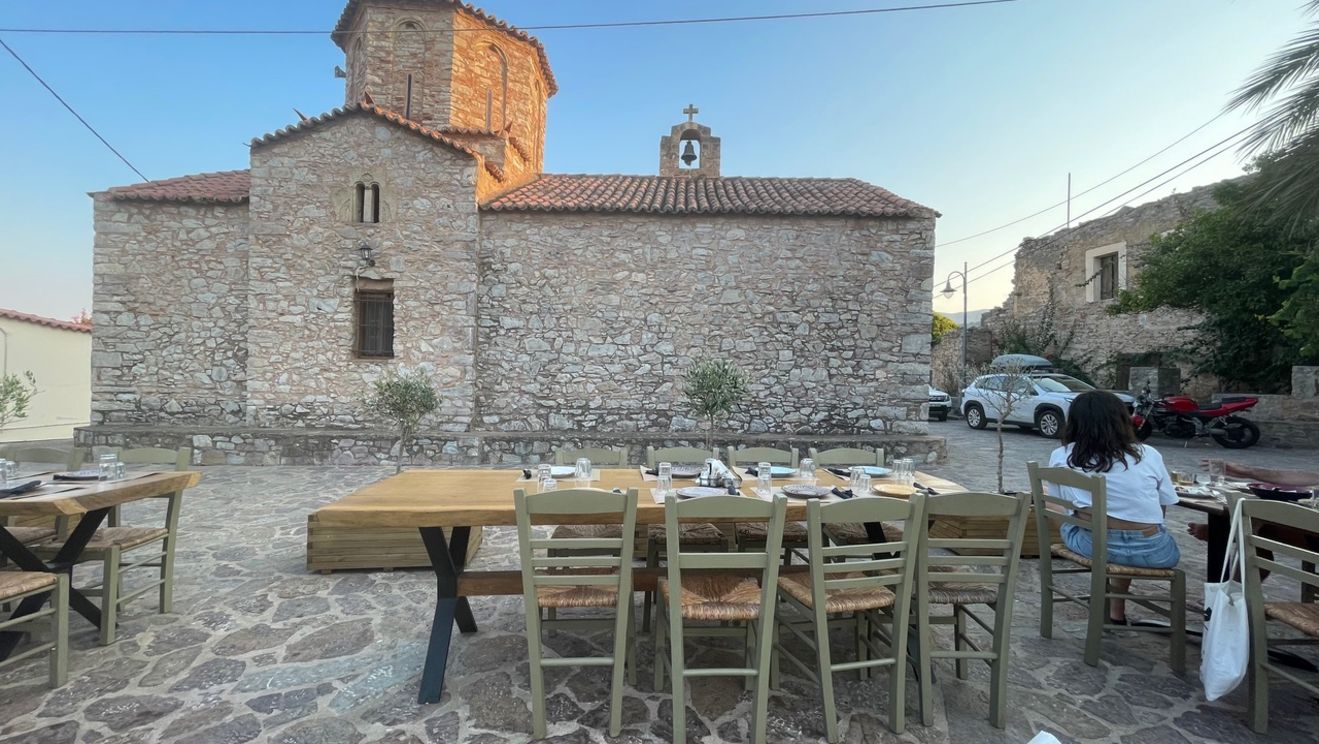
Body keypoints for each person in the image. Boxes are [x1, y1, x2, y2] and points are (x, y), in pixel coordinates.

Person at [1047, 390, 1180, 624]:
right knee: (1134, 524)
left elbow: (1061, 506)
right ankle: (1116, 609)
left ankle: (1111, 603)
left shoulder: (1063, 455)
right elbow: (1162, 510)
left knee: (1050, 500)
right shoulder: (1149, 454)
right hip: (1154, 552)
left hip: (1094, 546)